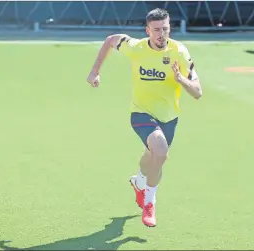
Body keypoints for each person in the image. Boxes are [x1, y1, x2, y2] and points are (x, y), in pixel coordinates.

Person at [86, 8, 202, 227]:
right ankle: (150, 202)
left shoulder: (180, 52)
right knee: (160, 151)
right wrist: (95, 71)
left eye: (165, 29)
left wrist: (181, 80)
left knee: (153, 157)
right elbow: (111, 40)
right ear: (147, 30)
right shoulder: (136, 47)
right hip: (140, 112)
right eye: (156, 30)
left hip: (169, 116)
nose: (161, 34)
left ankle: (139, 182)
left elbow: (197, 92)